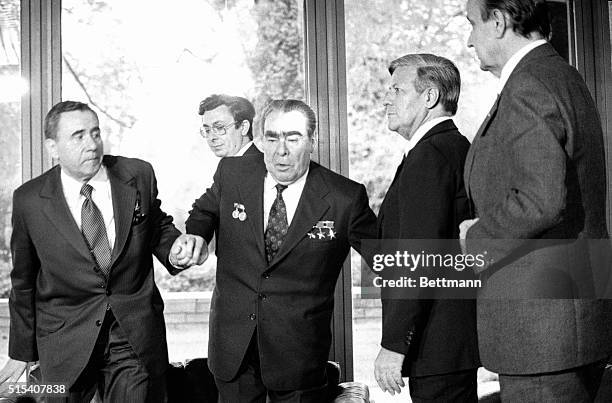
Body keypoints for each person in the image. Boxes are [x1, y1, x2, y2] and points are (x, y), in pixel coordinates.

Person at [0, 101, 206, 402]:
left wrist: (175, 249)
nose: (92, 144)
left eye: (95, 133)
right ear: (52, 148)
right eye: (78, 136)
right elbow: (23, 281)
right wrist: (21, 353)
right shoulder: (29, 200)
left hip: (131, 332)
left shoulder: (137, 174)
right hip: (64, 338)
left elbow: (157, 225)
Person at [462, 0, 612, 401]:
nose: (469, 40)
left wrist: (476, 235)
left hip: (543, 334)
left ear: (499, 22)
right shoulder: (561, 75)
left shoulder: (529, 84)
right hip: (569, 322)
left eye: (472, 24)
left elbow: (540, 199)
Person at [186, 99, 377, 402]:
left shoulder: (345, 197)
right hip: (234, 350)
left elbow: (388, 262)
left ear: (313, 142)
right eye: (272, 138)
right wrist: (196, 235)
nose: (281, 150)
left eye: (293, 138)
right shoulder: (232, 174)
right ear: (260, 140)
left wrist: (396, 341)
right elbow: (204, 211)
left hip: (298, 357)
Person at [373, 54, 479, 402]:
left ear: (429, 97)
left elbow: (418, 257)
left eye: (397, 89)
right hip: (449, 344)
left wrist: (393, 343)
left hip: (435, 342)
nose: (386, 98)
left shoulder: (429, 155)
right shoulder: (453, 147)